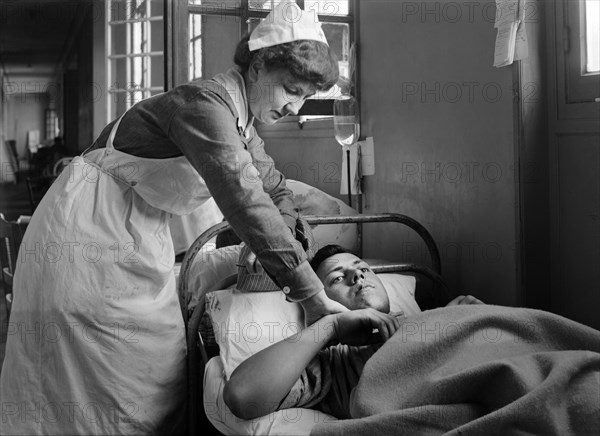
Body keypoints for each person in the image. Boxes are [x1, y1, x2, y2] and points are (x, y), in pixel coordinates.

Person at [0, 2, 347, 434]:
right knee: (87, 369)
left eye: (304, 97)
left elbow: (274, 188)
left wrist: (298, 243)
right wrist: (309, 292)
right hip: (85, 231)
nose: (295, 107)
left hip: (138, 233)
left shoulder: (242, 123)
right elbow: (245, 199)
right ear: (259, 65)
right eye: (290, 90)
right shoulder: (205, 106)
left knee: (154, 367)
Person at [224, 244, 484, 420]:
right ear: (321, 301)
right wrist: (331, 326)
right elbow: (241, 395)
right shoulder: (333, 362)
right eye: (337, 278)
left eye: (363, 268)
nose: (357, 276)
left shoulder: (432, 318)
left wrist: (456, 321)